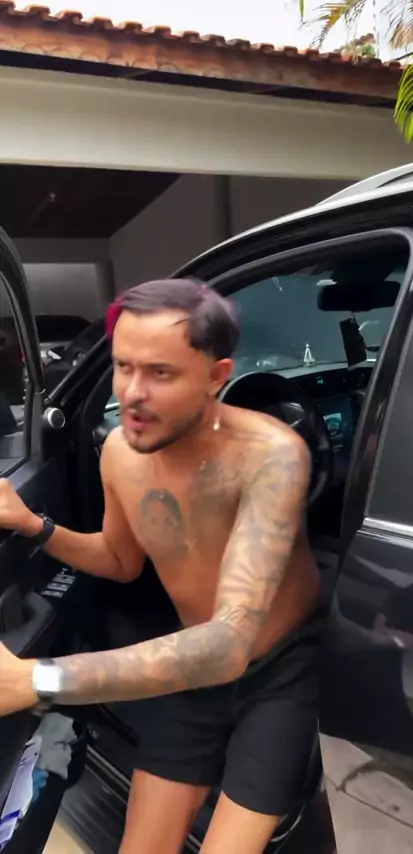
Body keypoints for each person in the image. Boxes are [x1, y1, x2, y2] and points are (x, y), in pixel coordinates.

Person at [0, 278, 323, 854]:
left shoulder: (271, 456)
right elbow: (121, 561)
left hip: (278, 669)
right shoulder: (120, 452)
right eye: (123, 367)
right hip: (190, 665)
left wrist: (38, 680)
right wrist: (35, 526)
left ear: (217, 376)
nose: (132, 393)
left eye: (161, 373)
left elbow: (229, 644)